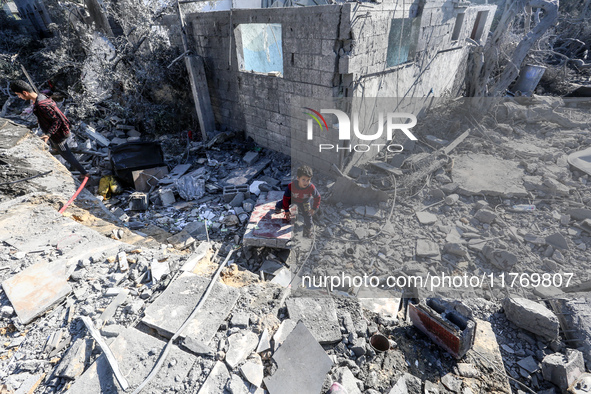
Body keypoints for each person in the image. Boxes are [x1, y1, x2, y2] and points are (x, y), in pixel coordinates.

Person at [10, 80, 88, 179]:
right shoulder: (41, 97)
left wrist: (48, 135)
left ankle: (84, 173)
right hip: (54, 131)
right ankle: (56, 148)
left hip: (59, 134)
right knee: (56, 148)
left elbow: (57, 121)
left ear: (25, 93)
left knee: (66, 154)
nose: (19, 97)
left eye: (18, 94)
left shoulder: (41, 105)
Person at [275, 165, 321, 238]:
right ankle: (277, 206)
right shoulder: (291, 186)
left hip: (305, 201)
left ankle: (309, 230)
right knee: (282, 203)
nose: (306, 182)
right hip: (293, 198)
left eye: (308, 180)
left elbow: (317, 197)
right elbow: (286, 198)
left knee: (308, 215)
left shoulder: (311, 187)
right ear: (298, 178)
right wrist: (286, 210)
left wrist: (314, 209)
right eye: (303, 179)